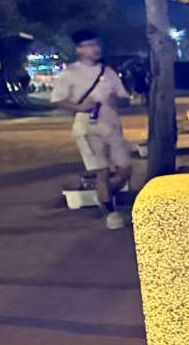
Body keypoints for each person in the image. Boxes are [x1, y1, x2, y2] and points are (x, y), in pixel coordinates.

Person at [48, 29, 134, 229]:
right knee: (102, 172)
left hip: (112, 126)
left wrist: (119, 100)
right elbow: (57, 100)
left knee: (125, 171)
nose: (95, 49)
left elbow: (124, 99)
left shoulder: (109, 72)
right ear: (79, 49)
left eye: (97, 44)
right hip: (87, 128)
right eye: (90, 45)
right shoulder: (70, 73)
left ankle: (102, 195)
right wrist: (79, 107)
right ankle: (111, 214)